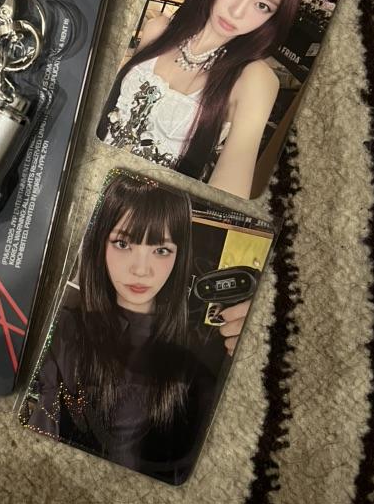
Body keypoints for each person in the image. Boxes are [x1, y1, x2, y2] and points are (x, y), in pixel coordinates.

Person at [21, 173, 248, 484]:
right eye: (123, 243)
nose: (141, 270)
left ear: (179, 255)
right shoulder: (64, 330)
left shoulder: (202, 354)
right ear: (100, 242)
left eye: (161, 250)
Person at [98, 0, 306, 198]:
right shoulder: (158, 30)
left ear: (274, 17)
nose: (237, 11)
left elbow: (226, 194)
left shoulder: (255, 79)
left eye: (261, 5)